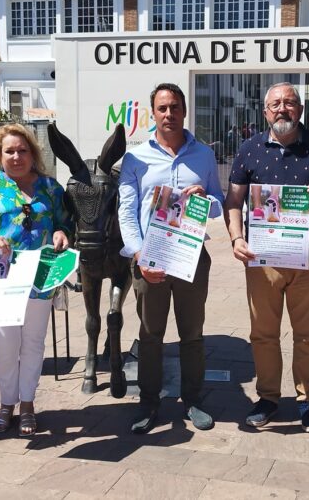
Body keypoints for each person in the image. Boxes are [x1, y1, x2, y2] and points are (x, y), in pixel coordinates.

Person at [225, 82, 309, 433]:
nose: (282, 109)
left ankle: (308, 400)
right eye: (275, 104)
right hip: (263, 260)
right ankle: (268, 398)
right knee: (263, 334)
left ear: (300, 109)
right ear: (265, 111)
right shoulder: (249, 148)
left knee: (308, 337)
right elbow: (234, 202)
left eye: (289, 103)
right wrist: (236, 238)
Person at [117, 83, 225, 434]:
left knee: (192, 333)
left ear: (184, 111)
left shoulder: (204, 155)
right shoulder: (135, 158)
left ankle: (193, 400)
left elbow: (219, 204)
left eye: (175, 107)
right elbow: (126, 211)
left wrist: (205, 199)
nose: (169, 114)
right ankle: (149, 401)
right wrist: (138, 256)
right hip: (150, 258)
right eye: (162, 108)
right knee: (150, 334)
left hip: (191, 256)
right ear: (153, 113)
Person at [0, 123, 73, 437]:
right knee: (5, 345)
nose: (16, 157)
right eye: (10, 151)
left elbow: (65, 222)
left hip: (40, 276)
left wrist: (62, 233)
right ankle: (7, 403)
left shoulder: (50, 188)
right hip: (0, 278)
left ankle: (28, 403)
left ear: (33, 153)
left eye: (22, 150)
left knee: (33, 343)